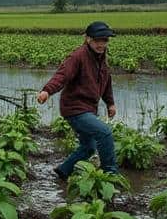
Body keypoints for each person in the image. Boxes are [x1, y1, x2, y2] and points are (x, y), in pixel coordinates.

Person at [37, 20, 120, 179]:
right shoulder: (78, 56)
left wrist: (110, 103)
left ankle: (63, 170)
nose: (101, 44)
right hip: (75, 109)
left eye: (105, 40)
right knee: (105, 133)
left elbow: (106, 81)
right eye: (98, 40)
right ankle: (110, 175)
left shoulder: (101, 58)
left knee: (88, 147)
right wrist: (47, 91)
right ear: (88, 39)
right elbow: (62, 75)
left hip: (88, 109)